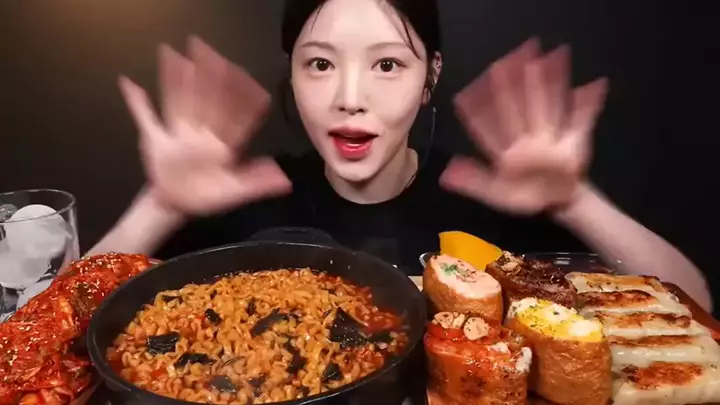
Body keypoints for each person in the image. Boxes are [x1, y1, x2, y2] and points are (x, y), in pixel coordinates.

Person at [90, 0, 713, 311]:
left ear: (429, 76)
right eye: (320, 64)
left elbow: (695, 305)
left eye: (387, 65)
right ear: (293, 74)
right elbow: (54, 330)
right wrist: (160, 206)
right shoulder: (241, 206)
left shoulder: (493, 204)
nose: (350, 97)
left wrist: (576, 201)